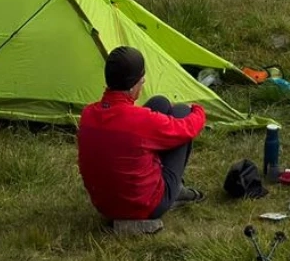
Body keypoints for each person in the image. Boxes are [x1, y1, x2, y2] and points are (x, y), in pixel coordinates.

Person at [77, 45, 207, 222]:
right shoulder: (140, 121)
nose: (143, 82)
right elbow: (187, 128)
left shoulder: (87, 115)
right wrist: (197, 109)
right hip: (144, 207)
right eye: (141, 80)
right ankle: (174, 191)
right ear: (132, 87)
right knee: (182, 112)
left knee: (159, 103)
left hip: (105, 205)